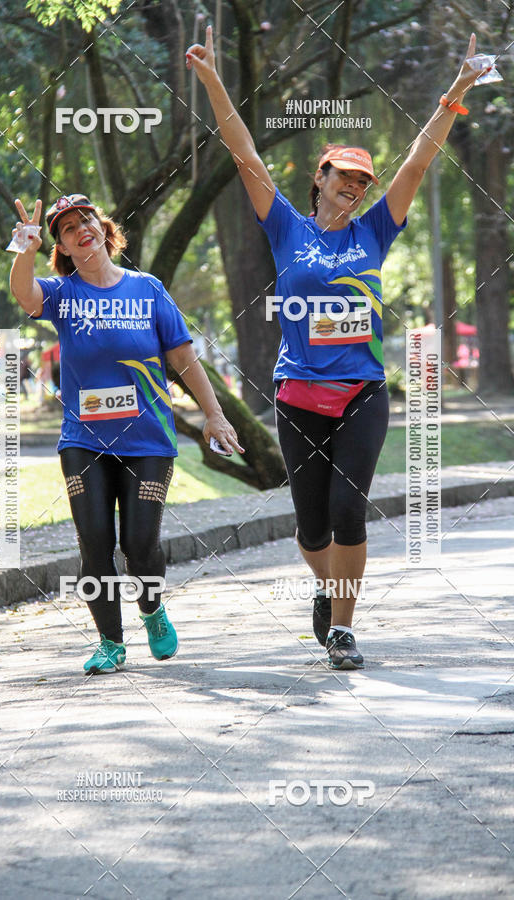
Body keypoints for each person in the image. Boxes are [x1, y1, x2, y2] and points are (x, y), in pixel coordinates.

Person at [188, 29, 489, 669]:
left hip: (362, 392)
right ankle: (327, 589)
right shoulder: (285, 228)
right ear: (319, 178)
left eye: (362, 180)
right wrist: (214, 80)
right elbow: (243, 152)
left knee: (350, 512)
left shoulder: (375, 231)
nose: (355, 186)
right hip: (298, 394)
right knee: (313, 526)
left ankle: (345, 629)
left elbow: (417, 162)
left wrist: (456, 92)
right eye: (344, 177)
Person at [9, 193, 243, 674]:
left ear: (103, 227)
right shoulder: (63, 294)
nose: (80, 230)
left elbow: (183, 358)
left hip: (148, 440)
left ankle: (152, 609)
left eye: (86, 220)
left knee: (140, 546)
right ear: (64, 248)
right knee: (94, 542)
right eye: (68, 229)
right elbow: (25, 295)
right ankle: (110, 642)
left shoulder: (148, 289)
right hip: (84, 440)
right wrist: (25, 250)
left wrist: (214, 414)